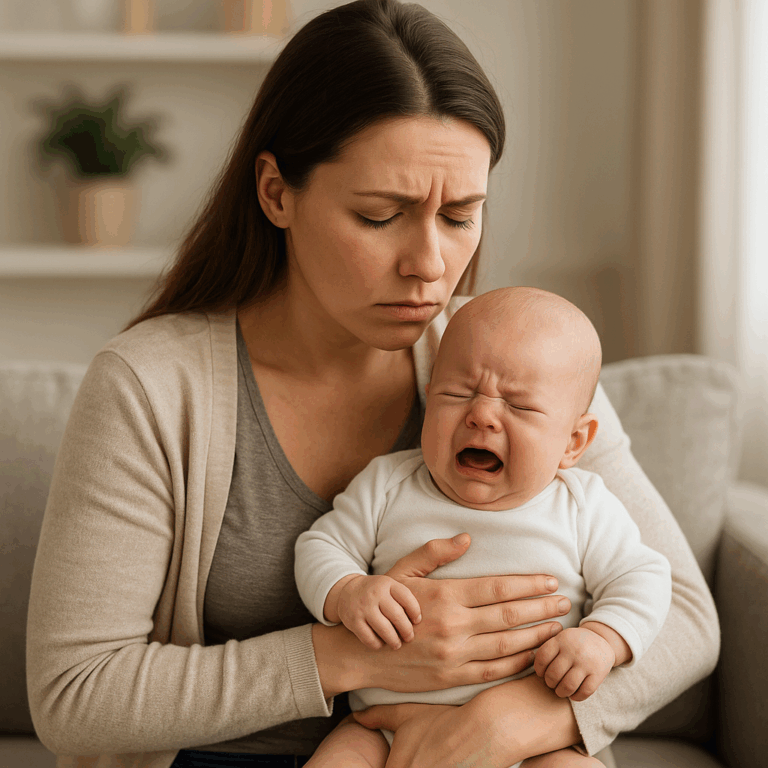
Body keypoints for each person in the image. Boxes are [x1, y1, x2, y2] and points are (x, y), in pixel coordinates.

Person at [25, 1, 718, 767]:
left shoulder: (518, 363)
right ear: (276, 192)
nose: (429, 264)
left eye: (460, 215)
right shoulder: (151, 388)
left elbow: (687, 616)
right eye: (382, 215)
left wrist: (511, 722)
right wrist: (351, 655)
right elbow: (75, 698)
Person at [294, 287, 672, 768]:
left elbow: (643, 577)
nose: (482, 415)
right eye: (457, 394)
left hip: (535, 744)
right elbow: (321, 545)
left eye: (520, 406)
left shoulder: (583, 505)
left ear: (574, 442)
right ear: (429, 398)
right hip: (384, 728)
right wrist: (347, 590)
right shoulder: (388, 484)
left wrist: (603, 639)